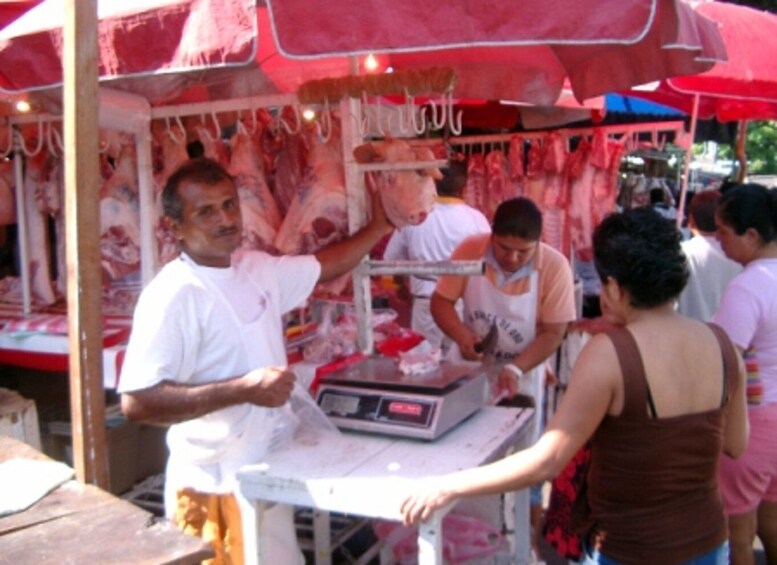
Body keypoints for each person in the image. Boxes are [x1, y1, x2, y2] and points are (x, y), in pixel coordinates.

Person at [401, 206, 748, 565]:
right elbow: (736, 445)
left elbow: (547, 461)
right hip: (708, 542)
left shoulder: (610, 355)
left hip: (628, 547)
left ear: (612, 286)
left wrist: (447, 485)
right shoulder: (724, 348)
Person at [118, 157, 394, 565]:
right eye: (206, 211)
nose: (226, 219)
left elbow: (326, 266)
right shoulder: (173, 295)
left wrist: (380, 226)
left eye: (229, 204)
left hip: (266, 467)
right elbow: (137, 402)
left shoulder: (253, 268)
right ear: (175, 228)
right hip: (215, 485)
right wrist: (243, 389)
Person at [430, 196, 576, 558]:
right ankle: (462, 532)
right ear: (491, 235)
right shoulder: (470, 249)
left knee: (519, 461)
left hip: (521, 373)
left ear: (538, 243)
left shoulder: (554, 267)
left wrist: (514, 368)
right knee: (459, 451)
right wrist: (463, 336)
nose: (511, 258)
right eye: (504, 248)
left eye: (522, 252)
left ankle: (520, 538)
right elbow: (441, 303)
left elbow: (553, 333)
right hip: (467, 368)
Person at [712, 183, 777, 565]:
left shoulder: (750, 286)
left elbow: (726, 358)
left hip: (754, 419)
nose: (718, 241)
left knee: (737, 535)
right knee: (771, 517)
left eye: (723, 232)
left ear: (751, 236)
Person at [382, 159, 490, 349]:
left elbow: (390, 261)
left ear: (432, 181)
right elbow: (488, 267)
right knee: (460, 368)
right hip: (460, 306)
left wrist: (401, 288)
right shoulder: (476, 219)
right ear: (464, 186)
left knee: (424, 367)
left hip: (425, 305)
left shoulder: (414, 216)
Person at [676, 190, 741, 321]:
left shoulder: (680, 254)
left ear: (691, 220)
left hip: (686, 333)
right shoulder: (739, 256)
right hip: (727, 336)